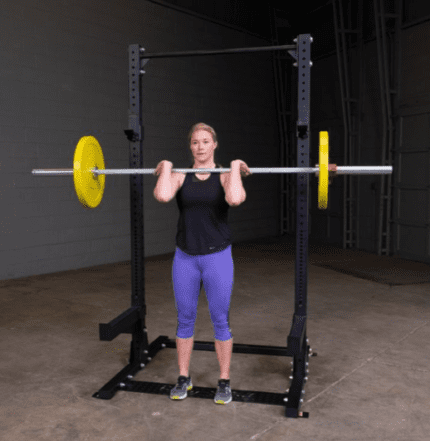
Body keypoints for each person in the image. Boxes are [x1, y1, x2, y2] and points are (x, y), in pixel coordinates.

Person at [153, 122, 251, 405]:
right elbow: (162, 195)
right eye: (195, 142)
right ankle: (184, 377)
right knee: (185, 320)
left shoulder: (224, 176)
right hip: (185, 258)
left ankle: (224, 381)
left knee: (220, 320)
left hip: (217, 258)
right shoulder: (181, 175)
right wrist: (168, 166)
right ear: (191, 146)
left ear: (214, 144)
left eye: (205, 141)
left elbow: (234, 198)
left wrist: (233, 167)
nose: (200, 147)